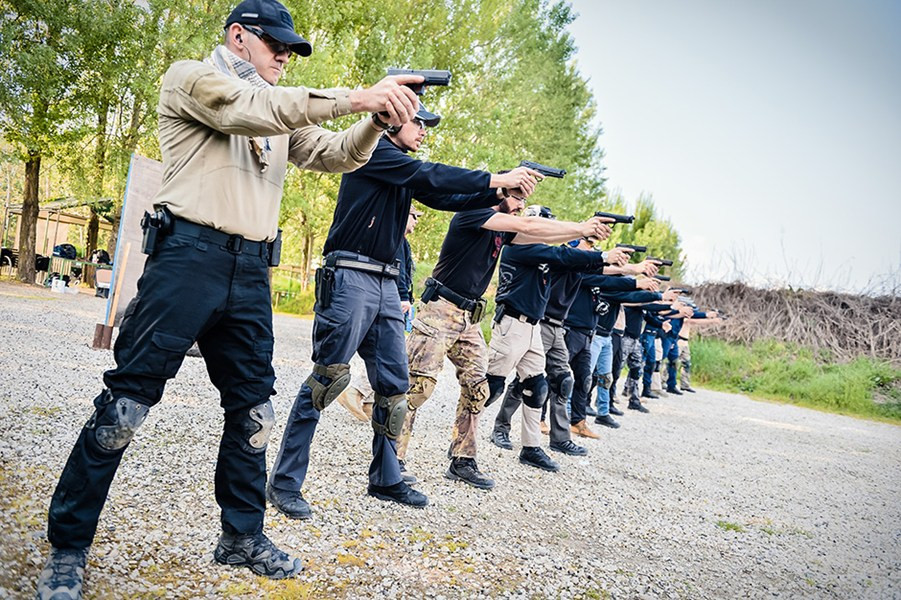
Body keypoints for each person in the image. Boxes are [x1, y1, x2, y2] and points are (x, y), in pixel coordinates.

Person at [34, 0, 426, 595]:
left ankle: (241, 535)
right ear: (239, 37)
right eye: (278, 46)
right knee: (126, 408)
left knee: (254, 414)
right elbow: (247, 109)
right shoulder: (192, 79)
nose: (286, 58)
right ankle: (68, 546)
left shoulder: (277, 111)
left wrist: (378, 119)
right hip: (186, 260)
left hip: (249, 273)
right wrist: (357, 96)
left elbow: (334, 153)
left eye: (293, 51)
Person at [267, 96, 543, 514]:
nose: (424, 130)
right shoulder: (375, 152)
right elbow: (429, 174)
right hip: (352, 277)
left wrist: (499, 189)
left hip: (385, 282)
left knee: (395, 390)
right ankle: (285, 482)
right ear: (392, 122)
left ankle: (386, 477)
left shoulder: (400, 166)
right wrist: (496, 178)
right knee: (327, 381)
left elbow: (444, 194)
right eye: (418, 122)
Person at [400, 202, 613, 488]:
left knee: (479, 390)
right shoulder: (473, 212)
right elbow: (529, 228)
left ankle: (463, 459)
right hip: (440, 308)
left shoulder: (505, 232)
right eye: (517, 196)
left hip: (469, 317)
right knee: (417, 388)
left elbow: (546, 239)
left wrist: (586, 236)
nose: (521, 206)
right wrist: (582, 229)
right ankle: (392, 459)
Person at [486, 206, 617, 472]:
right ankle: (471, 440)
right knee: (491, 387)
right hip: (513, 322)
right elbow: (562, 254)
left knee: (542, 386)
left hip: (537, 326)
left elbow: (566, 257)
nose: (548, 230)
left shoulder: (543, 251)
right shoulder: (519, 248)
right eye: (544, 225)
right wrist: (602, 254)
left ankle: (534, 446)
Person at [336, 205, 423, 426]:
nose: (416, 221)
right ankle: (355, 391)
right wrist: (403, 297)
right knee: (391, 354)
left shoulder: (402, 242)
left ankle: (367, 402)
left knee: (390, 353)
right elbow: (398, 272)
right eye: (414, 216)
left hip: (395, 299)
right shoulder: (396, 242)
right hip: (392, 300)